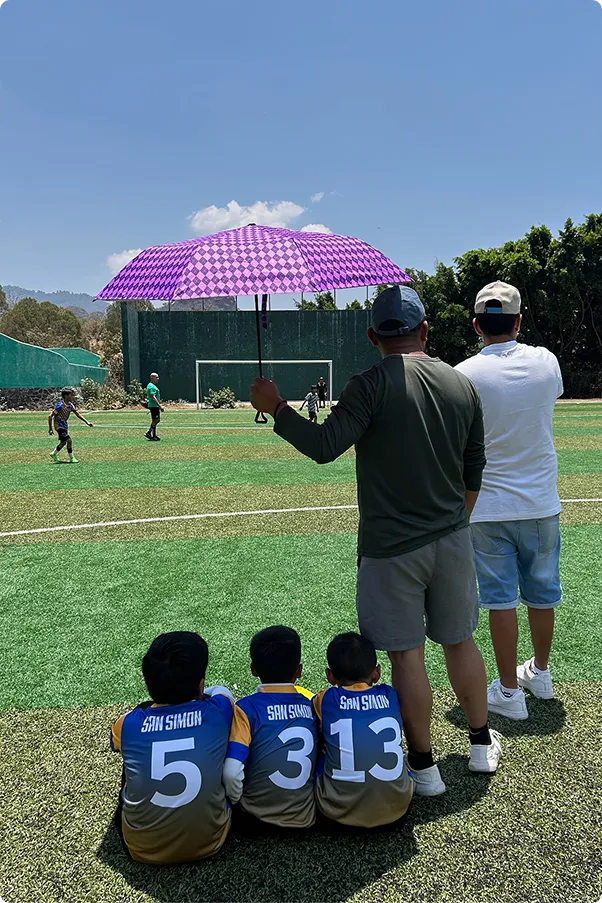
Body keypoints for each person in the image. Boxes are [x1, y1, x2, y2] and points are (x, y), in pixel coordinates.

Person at [250, 285, 502, 795]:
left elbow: (324, 446)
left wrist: (275, 408)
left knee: (406, 656)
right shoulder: (461, 383)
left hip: (390, 549)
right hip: (452, 538)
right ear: (425, 330)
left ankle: (425, 768)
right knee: (460, 641)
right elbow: (475, 466)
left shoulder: (368, 385)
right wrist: (454, 521)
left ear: (372, 337)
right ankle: (480, 745)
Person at [455, 282, 563, 720]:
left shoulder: (464, 373)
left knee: (500, 599)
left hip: (488, 506)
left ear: (477, 325)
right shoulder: (546, 362)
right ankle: (540, 672)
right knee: (542, 593)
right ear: (518, 321)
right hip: (540, 501)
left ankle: (508, 692)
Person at [110, 631, 234, 864]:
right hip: (212, 841)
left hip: (140, 850)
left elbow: (113, 742)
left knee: (130, 756)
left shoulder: (128, 724)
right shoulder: (218, 712)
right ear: (200, 686)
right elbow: (223, 693)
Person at [313, 632, 413, 828]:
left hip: (336, 814)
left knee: (320, 745)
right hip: (398, 808)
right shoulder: (390, 695)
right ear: (376, 672)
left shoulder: (325, 699)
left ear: (329, 676)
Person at [223, 626, 318, 829]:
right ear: (299, 671)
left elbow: (231, 772)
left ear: (253, 669)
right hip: (304, 816)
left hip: (253, 818)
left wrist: (235, 801)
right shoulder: (312, 705)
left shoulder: (245, 709)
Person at [48, 387, 93, 463]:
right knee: (69, 440)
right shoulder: (60, 405)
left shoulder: (70, 405)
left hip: (64, 425)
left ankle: (54, 453)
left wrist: (87, 422)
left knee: (63, 442)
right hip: (59, 425)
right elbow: (50, 416)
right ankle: (72, 458)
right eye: (70, 395)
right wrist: (50, 429)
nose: (72, 397)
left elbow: (78, 414)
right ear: (66, 396)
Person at [146, 372, 164, 441]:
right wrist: (159, 406)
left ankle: (153, 435)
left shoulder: (152, 385)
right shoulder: (151, 386)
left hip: (154, 406)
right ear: (152, 378)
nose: (158, 379)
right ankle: (149, 432)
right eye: (156, 377)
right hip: (154, 406)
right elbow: (153, 397)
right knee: (156, 420)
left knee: (155, 420)